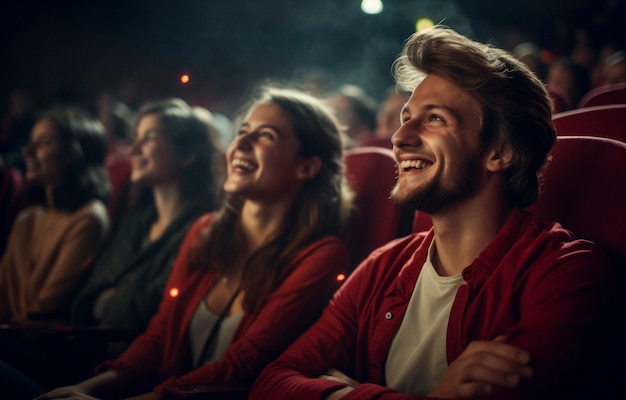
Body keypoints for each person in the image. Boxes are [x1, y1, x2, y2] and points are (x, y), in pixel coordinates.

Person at [250, 26, 614, 399]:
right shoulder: (383, 265)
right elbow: (271, 382)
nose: (399, 138)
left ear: (500, 152)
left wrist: (343, 391)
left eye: (435, 118)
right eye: (406, 117)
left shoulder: (567, 271)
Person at [36, 86, 354, 399]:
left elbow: (244, 363)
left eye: (266, 135)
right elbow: (159, 336)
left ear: (307, 167)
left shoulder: (322, 255)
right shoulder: (205, 231)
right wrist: (86, 389)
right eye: (243, 131)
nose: (240, 142)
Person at [70, 98, 223, 333]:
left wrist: (109, 301)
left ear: (187, 155)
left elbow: (148, 312)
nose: (133, 150)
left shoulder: (201, 229)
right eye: (135, 138)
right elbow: (88, 294)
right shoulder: (140, 220)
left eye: (149, 138)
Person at [0, 107, 111, 324]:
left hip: (42, 346)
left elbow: (46, 308)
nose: (28, 152)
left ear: (73, 154)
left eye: (44, 142)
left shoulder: (89, 218)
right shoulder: (28, 219)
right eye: (30, 142)